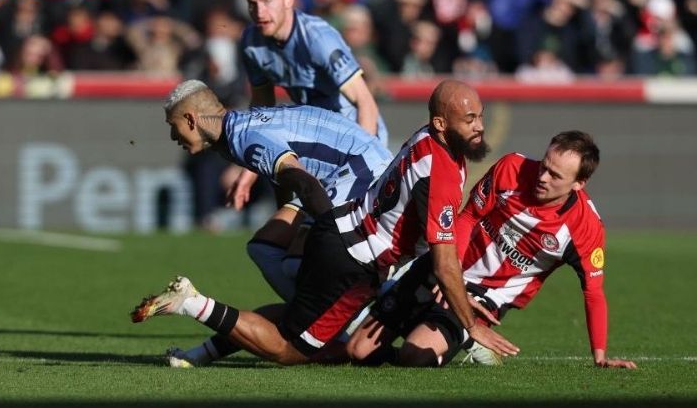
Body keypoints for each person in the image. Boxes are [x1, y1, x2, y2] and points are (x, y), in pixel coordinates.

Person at [130, 80, 520, 367]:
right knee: (290, 349)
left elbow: (301, 171)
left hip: (348, 213)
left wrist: (326, 226)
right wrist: (472, 329)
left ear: (192, 118)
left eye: (478, 117)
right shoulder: (440, 171)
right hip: (353, 248)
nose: (479, 126)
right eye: (470, 119)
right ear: (439, 122)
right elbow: (304, 179)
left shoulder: (425, 141)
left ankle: (204, 351)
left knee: (294, 292)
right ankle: (196, 305)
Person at [349, 131, 638, 368]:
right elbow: (468, 217)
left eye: (555, 175)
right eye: (543, 165)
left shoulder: (585, 228)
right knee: (358, 351)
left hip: (485, 295)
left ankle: (467, 336)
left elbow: (593, 292)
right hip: (449, 263)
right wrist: (452, 272)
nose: (543, 177)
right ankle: (436, 323)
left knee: (415, 356)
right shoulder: (511, 168)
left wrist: (600, 356)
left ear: (578, 183)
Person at [158, 79, 392, 303]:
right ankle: (319, 324)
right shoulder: (236, 127)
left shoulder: (243, 138)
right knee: (264, 247)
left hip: (362, 167)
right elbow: (286, 178)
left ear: (190, 120)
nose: (171, 136)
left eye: (172, 125)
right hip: (345, 170)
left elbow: (304, 182)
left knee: (302, 259)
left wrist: (331, 237)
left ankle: (352, 316)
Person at [228, 0, 389, 215]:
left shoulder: (317, 38)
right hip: (316, 134)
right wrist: (248, 173)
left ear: (289, 0)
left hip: (356, 135)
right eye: (252, 4)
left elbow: (364, 100)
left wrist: (362, 161)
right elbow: (262, 109)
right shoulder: (251, 43)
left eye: (267, 1)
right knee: (295, 217)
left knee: (340, 232)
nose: (259, 12)